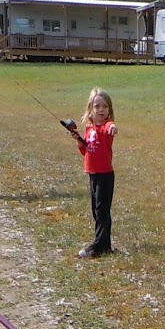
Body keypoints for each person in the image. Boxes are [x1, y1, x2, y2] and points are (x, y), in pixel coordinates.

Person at [61, 88, 117, 257]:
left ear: (109, 110)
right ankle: (105, 244)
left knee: (102, 210)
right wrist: (78, 141)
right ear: (90, 109)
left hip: (105, 174)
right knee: (96, 210)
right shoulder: (89, 130)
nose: (101, 110)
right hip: (92, 173)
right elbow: (87, 152)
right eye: (97, 106)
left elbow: (111, 127)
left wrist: (113, 126)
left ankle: (97, 246)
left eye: (105, 107)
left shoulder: (106, 127)